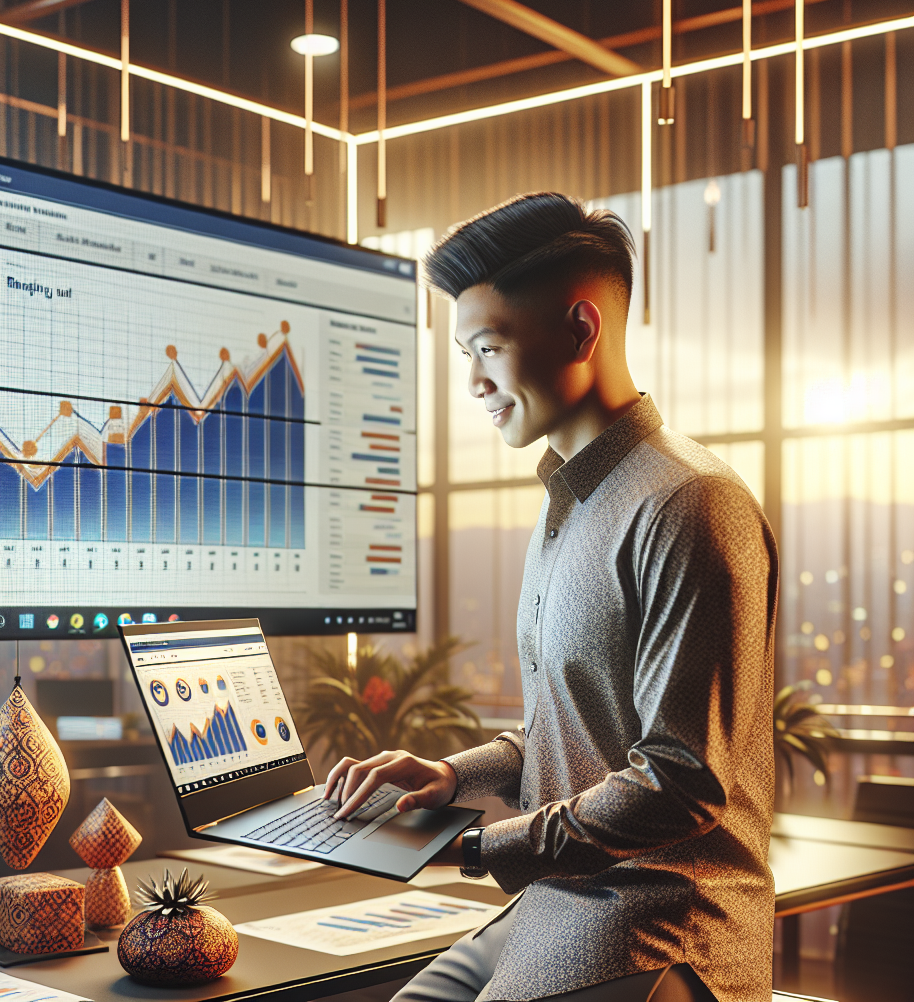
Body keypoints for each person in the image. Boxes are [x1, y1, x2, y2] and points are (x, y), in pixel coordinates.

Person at [325, 193, 777, 1002]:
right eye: (466, 353)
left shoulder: (690, 503)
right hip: (556, 902)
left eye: (488, 347)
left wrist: (477, 846)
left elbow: (683, 780)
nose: (472, 380)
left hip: (662, 921)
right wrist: (447, 777)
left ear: (579, 330)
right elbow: (573, 729)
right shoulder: (569, 503)